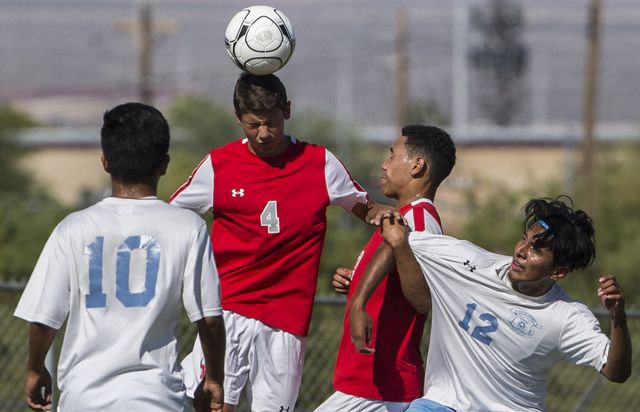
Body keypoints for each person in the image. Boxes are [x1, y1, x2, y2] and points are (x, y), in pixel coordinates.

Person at [170, 72, 402, 412]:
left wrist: (394, 216)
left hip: (287, 322)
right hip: (229, 311)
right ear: (238, 119)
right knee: (213, 405)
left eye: (271, 122)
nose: (263, 133)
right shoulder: (219, 166)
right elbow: (171, 218)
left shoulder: (319, 163)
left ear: (287, 112)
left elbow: (366, 209)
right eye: (252, 125)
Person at [14, 103, 226, 412]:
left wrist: (35, 370)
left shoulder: (73, 227)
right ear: (164, 164)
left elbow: (45, 320)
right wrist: (214, 379)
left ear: (105, 161)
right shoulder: (187, 227)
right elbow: (209, 319)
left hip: (84, 398)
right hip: (158, 398)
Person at [378, 197, 632, 412]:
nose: (521, 250)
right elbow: (398, 236)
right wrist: (357, 291)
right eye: (525, 239)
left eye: (537, 249)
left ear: (559, 271)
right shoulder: (469, 262)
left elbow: (616, 372)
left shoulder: (566, 317)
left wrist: (618, 318)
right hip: (441, 403)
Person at [315, 125, 456, 412]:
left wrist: (358, 302)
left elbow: (422, 298)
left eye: (393, 155)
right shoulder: (403, 217)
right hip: (370, 386)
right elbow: (399, 278)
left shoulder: (418, 217)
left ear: (417, 165)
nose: (384, 163)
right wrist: (355, 284)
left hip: (382, 386)